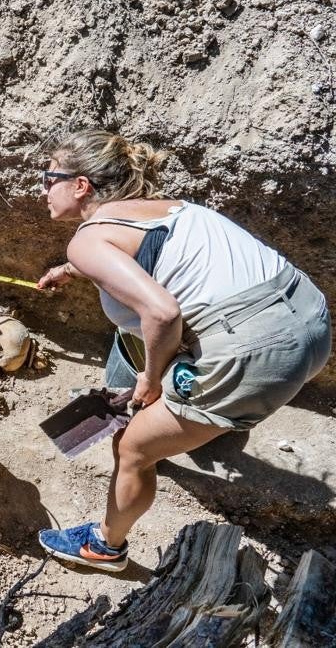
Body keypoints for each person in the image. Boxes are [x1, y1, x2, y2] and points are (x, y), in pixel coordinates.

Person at [34, 129, 331, 572]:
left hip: (255, 353)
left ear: (80, 186)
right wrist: (72, 269)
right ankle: (211, 416)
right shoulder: (172, 208)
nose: (42, 189)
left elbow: (163, 314)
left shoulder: (87, 237)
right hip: (311, 322)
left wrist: (150, 380)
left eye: (48, 177)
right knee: (141, 341)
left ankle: (105, 547)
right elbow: (146, 253)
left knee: (131, 448)